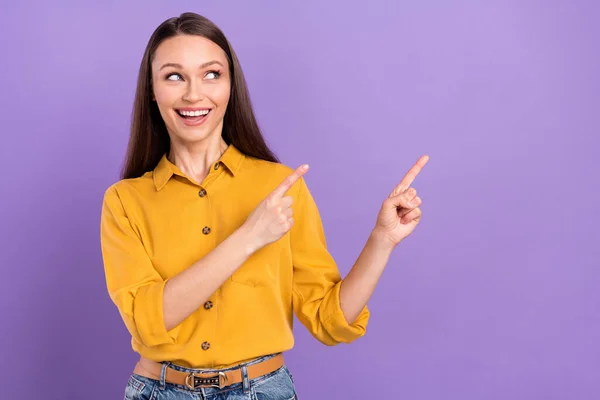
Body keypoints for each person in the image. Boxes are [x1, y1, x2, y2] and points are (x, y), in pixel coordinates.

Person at [100, 11, 428, 400]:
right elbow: (147, 321)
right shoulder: (124, 201)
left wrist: (382, 240)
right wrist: (250, 237)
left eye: (211, 74)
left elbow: (330, 321)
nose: (193, 94)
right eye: (174, 76)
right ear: (152, 90)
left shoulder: (280, 187)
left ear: (230, 86)